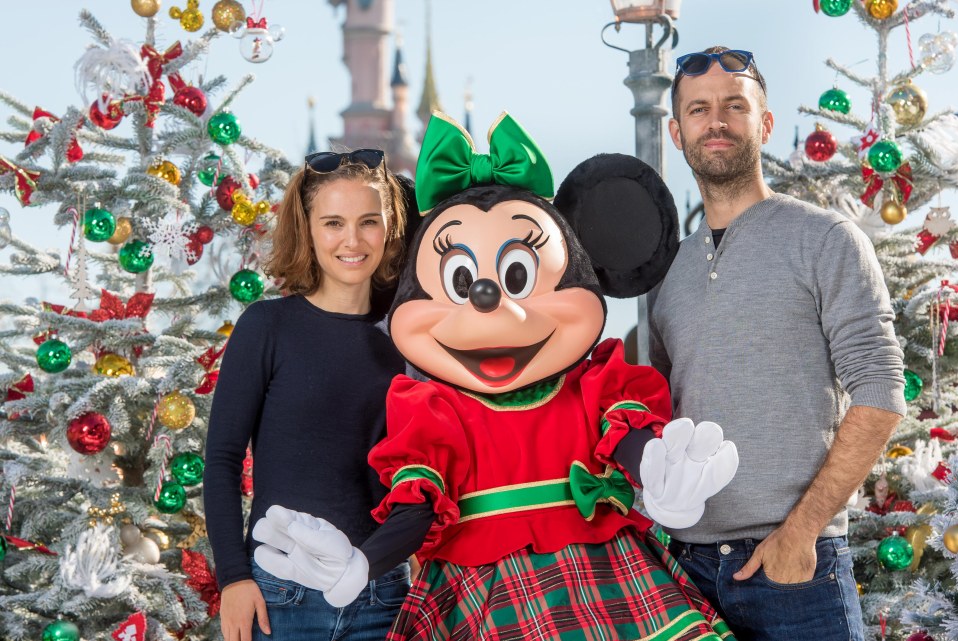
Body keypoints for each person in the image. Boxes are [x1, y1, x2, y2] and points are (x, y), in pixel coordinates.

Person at [252, 112, 740, 641]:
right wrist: (361, 564)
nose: (489, 301)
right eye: (462, 281)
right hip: (482, 591)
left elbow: (625, 433)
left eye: (517, 276)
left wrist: (656, 470)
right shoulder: (433, 409)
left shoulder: (591, 384)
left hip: (604, 574)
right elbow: (419, 507)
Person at [647, 47, 906, 640]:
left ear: (763, 123)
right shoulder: (671, 273)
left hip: (794, 571)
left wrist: (803, 530)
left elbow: (881, 390)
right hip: (685, 577)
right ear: (676, 130)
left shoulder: (826, 240)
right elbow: (661, 414)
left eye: (735, 107)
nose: (717, 122)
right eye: (699, 109)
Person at [203, 149, 413, 641]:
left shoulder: (406, 339)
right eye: (333, 223)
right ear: (308, 229)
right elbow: (222, 460)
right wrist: (233, 577)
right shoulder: (267, 327)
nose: (352, 240)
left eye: (369, 222)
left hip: (384, 597)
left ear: (390, 228)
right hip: (281, 596)